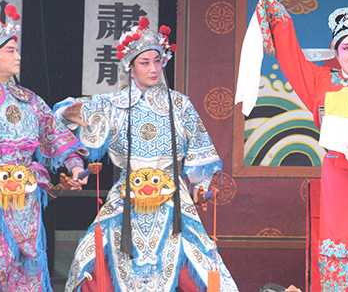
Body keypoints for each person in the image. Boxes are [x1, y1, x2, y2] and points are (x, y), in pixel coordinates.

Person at [235, 0, 348, 292]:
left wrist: (346, 138)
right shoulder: (322, 81)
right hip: (338, 185)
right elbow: (291, 59)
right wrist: (278, 19)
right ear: (335, 52)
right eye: (346, 48)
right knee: (338, 259)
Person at [58, 17, 238, 292]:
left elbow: (201, 151)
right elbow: (64, 117)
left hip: (172, 198)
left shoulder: (179, 105)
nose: (153, 68)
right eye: (145, 62)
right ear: (129, 66)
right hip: (126, 199)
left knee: (201, 270)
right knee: (88, 261)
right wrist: (65, 114)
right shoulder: (112, 105)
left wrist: (200, 186)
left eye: (157, 60)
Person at [0, 6, 88, 291]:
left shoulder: (30, 100)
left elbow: (54, 134)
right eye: (10, 50)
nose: (18, 56)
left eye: (16, 50)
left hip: (22, 194)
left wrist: (76, 166)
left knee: (20, 263)